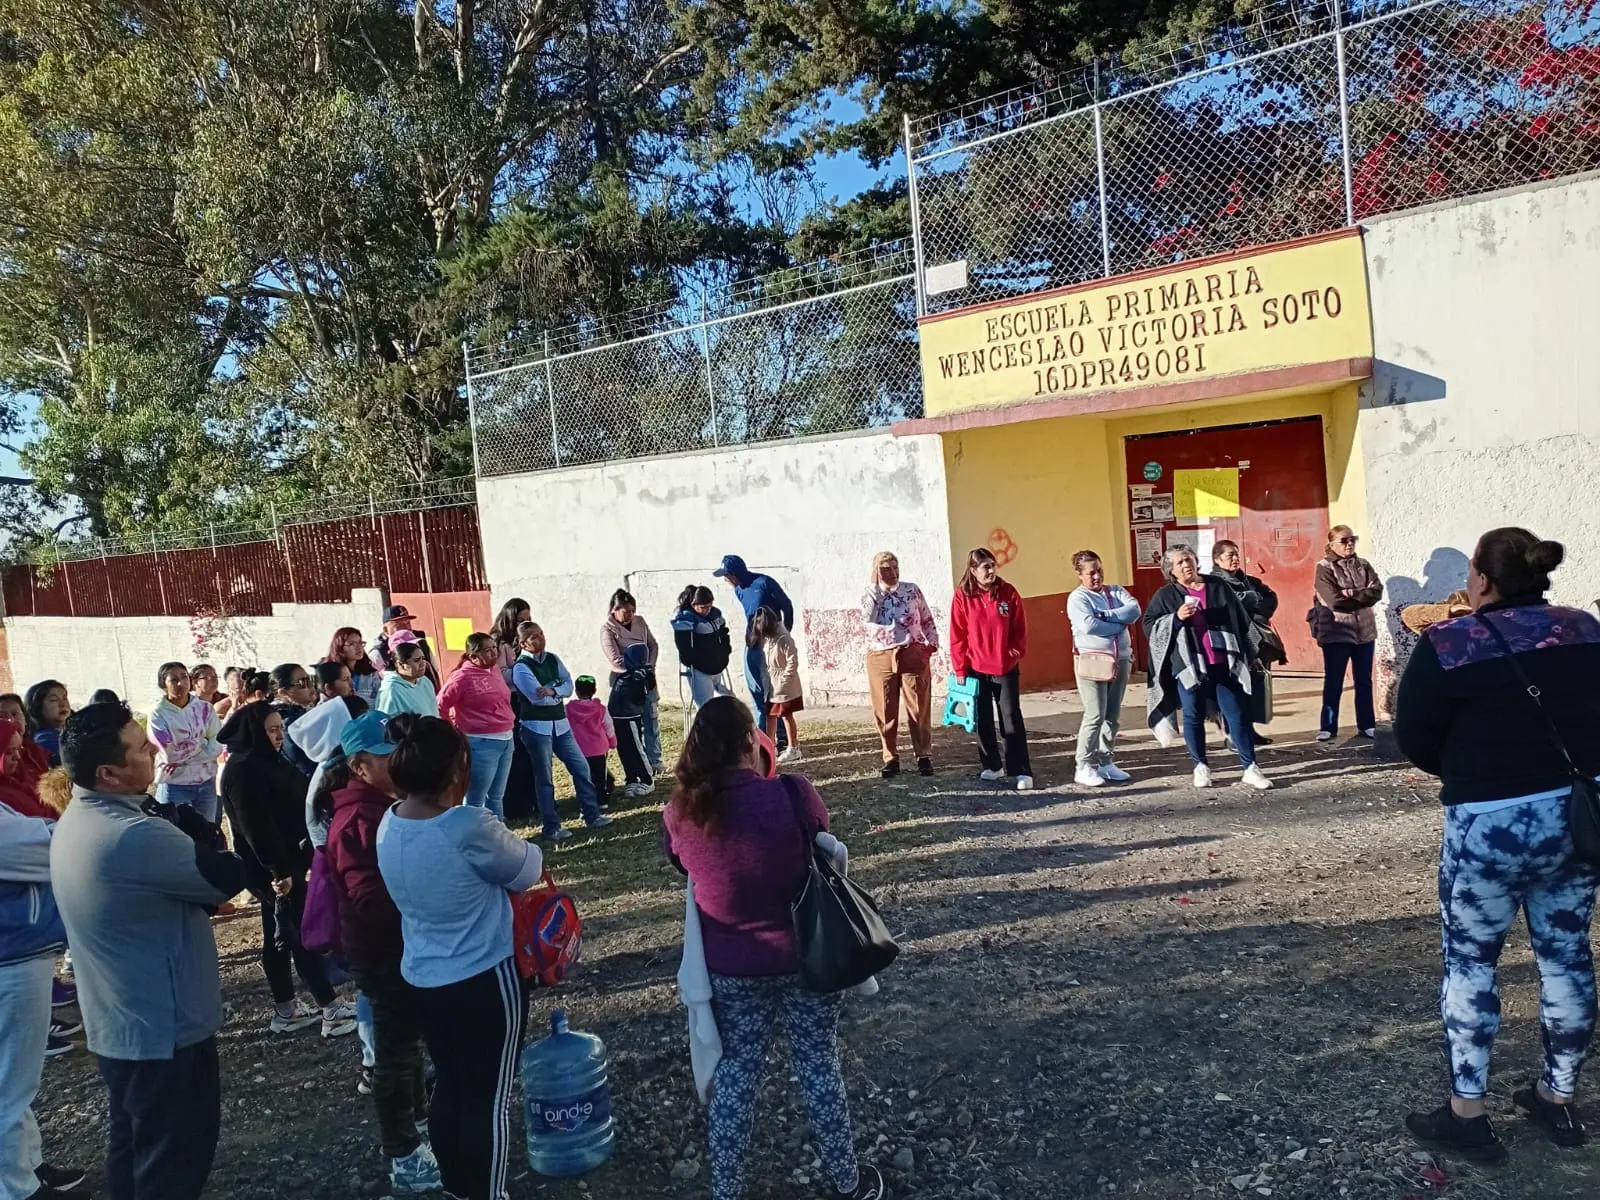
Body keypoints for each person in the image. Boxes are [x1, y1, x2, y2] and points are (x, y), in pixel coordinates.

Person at [1395, 528, 1600, 1162]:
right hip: (1577, 817)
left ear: (1481, 580)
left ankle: (1468, 1113)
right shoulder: (1586, 630)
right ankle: (1558, 1101)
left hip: (1488, 823)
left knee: (1471, 963)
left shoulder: (1449, 642)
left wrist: (1470, 772)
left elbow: (1413, 736)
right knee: (1566, 958)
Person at [663, 697, 886, 1200]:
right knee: (818, 1064)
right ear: (751, 743)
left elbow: (684, 868)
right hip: (808, 954)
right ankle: (847, 1182)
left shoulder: (679, 813)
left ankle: (726, 1190)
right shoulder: (792, 794)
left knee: (736, 1071)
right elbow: (822, 841)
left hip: (730, 967)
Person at [50, 701, 248, 1200]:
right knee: (173, 1161)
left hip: (123, 1023)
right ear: (108, 773)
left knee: (135, 1150)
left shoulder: (81, 816)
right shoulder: (132, 834)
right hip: (163, 1031)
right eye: (141, 748)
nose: (155, 750)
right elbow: (222, 878)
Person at [376, 716, 542, 1200]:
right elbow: (528, 868)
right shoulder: (467, 824)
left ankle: (457, 1187)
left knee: (450, 1086)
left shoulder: (391, 822)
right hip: (485, 977)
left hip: (424, 978)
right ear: (456, 772)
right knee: (488, 1098)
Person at [324, 713, 440, 1194]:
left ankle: (421, 1125)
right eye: (386, 754)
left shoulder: (385, 806)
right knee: (393, 1056)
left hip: (403, 948)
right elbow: (368, 898)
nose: (398, 760)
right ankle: (404, 1155)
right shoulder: (359, 819)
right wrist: (424, 896)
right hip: (382, 953)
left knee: (409, 1048)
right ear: (360, 765)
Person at [218, 702, 357, 1038]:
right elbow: (256, 829)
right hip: (273, 867)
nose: (279, 736)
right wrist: (278, 871)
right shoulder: (242, 770)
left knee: (279, 934)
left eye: (281, 728)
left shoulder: (265, 761)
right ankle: (330, 1008)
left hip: (287, 860)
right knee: (298, 934)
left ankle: (286, 1009)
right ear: (254, 731)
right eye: (272, 730)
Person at [0, 781, 87, 1200]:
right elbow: (51, 850)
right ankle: (18, 1188)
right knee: (10, 1082)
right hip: (9, 959)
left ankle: (29, 1166)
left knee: (18, 1076)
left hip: (17, 953)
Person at [1144, 546, 1272, 791]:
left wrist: (1251, 651)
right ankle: (1200, 766)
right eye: (1180, 562)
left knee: (1237, 714)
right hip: (1189, 666)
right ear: (1171, 570)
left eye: (1189, 559)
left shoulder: (1217, 586)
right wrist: (1175, 618)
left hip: (1224, 662)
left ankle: (1250, 768)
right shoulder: (1166, 595)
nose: (1186, 565)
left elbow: (1240, 617)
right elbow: (1149, 626)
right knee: (1193, 716)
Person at [510, 622, 612, 842]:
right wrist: (555, 692)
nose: (539, 639)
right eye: (532, 637)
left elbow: (568, 685)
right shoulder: (521, 667)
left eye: (540, 634)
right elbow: (537, 698)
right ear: (522, 643)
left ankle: (591, 814)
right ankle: (551, 826)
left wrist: (553, 690)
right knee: (545, 778)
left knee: (581, 768)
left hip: (561, 725)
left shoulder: (553, 659)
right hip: (537, 728)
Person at [949, 547, 1033, 790]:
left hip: (1005, 667)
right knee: (982, 718)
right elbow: (958, 635)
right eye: (985, 567)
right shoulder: (963, 597)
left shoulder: (1008, 593)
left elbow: (1020, 630)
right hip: (976, 668)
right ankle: (992, 766)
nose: (991, 570)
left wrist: (1013, 654)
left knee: (1010, 718)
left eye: (993, 565)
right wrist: (961, 669)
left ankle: (1020, 769)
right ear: (973, 571)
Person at [861, 552, 939, 780]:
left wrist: (930, 645)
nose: (893, 573)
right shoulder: (869, 594)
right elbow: (869, 618)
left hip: (911, 652)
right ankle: (890, 757)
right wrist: (877, 587)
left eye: (895, 567)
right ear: (877, 571)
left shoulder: (911, 589)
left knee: (918, 706)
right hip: (881, 655)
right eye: (886, 569)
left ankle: (923, 755)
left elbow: (926, 618)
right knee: (885, 709)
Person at [1066, 550, 1141, 787]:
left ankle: (1106, 761)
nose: (1097, 577)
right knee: (1095, 714)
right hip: (1092, 663)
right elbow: (1089, 626)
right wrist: (1119, 625)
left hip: (1120, 660)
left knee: (1112, 715)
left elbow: (1134, 611)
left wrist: (1107, 615)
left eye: (1099, 570)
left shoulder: (1116, 591)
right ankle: (1084, 764)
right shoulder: (1078, 599)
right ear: (1079, 575)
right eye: (1091, 573)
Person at [1310, 524, 1383, 741]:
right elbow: (1333, 600)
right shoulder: (1323, 567)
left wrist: (1351, 596)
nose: (1349, 543)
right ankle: (1328, 726)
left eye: (1353, 539)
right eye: (1344, 540)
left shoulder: (1363, 564)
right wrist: (1360, 596)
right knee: (1334, 680)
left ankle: (1367, 724)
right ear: (1331, 544)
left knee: (1364, 681)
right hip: (1337, 632)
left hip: (1365, 632)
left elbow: (1376, 590)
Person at [713, 555, 795, 743]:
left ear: (735, 573)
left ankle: (777, 735)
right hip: (752, 643)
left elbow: (787, 605)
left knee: (772, 689)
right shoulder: (739, 590)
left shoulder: (764, 582)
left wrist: (785, 633)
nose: (725, 579)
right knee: (756, 688)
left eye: (727, 575)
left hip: (771, 643)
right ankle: (765, 732)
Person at [437, 634, 517, 822]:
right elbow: (441, 704)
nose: (493, 653)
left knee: (496, 796)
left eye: (494, 648)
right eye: (487, 650)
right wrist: (452, 731)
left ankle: (496, 835)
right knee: (476, 798)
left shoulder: (494, 669)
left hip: (506, 738)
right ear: (473, 656)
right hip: (481, 742)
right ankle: (471, 836)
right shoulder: (462, 677)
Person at [1212, 540, 1285, 746]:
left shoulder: (1249, 581)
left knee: (1252, 686)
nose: (1235, 559)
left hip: (1255, 641)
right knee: (1233, 689)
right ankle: (1231, 734)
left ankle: (1249, 730)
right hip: (1231, 642)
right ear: (1218, 559)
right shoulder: (1214, 583)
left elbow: (1270, 597)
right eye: (1229, 555)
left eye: (1236, 554)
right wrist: (1249, 601)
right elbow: (1227, 605)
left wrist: (1253, 605)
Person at [149, 662, 224, 824]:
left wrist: (188, 748)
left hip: (205, 782)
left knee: (208, 835)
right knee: (174, 834)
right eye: (173, 680)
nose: (180, 683)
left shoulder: (205, 709)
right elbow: (170, 755)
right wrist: (202, 742)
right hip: (174, 784)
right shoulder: (158, 715)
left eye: (184, 677)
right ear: (163, 685)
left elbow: (218, 743)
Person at [601, 590, 662, 772]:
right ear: (614, 610)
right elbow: (615, 659)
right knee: (632, 724)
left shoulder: (640, 622)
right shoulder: (607, 629)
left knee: (651, 718)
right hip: (625, 681)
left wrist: (648, 666)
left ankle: (655, 760)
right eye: (624, 611)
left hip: (647, 677)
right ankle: (640, 763)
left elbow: (653, 645)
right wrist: (634, 671)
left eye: (631, 611)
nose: (628, 615)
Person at [489, 598, 536, 823]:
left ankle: (531, 799)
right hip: (509, 701)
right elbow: (501, 673)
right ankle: (515, 804)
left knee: (530, 752)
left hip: (527, 699)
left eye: (527, 619)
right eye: (520, 620)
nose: (524, 624)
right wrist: (523, 671)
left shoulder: (524, 639)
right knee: (515, 755)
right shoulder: (499, 643)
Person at [752, 607, 804, 765]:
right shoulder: (768, 639)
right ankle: (770, 746)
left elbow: (792, 662)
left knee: (786, 715)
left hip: (785, 686)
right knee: (770, 715)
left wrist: (783, 682)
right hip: (771, 684)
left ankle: (793, 747)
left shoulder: (784, 638)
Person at [672, 585, 733, 709]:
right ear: (693, 605)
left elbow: (724, 633)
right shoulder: (685, 619)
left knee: (725, 702)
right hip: (700, 670)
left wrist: (726, 651)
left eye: (710, 606)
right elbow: (684, 647)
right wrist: (695, 662)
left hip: (718, 666)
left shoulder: (715, 614)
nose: (707, 610)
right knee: (706, 706)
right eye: (703, 607)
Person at [607, 647, 656, 798]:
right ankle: (632, 779)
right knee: (624, 752)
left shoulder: (642, 675)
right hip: (616, 719)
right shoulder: (624, 675)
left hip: (630, 719)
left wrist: (642, 676)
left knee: (636, 749)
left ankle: (647, 780)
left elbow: (646, 688)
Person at [566, 676, 617, 807]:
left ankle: (585, 799)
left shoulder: (568, 709)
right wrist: (612, 741)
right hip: (599, 748)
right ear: (594, 690)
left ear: (576, 691)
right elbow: (608, 726)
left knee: (583, 776)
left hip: (579, 749)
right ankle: (602, 801)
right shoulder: (601, 709)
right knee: (600, 776)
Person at [372, 606, 440, 689]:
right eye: (400, 625)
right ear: (386, 630)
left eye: (408, 623)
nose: (407, 628)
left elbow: (434, 672)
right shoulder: (377, 654)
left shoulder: (421, 643)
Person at [271, 663, 319, 777]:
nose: (311, 686)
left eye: (311, 680)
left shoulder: (304, 711)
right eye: (303, 683)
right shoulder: (286, 721)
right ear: (283, 693)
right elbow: (303, 765)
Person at [378, 640, 440, 718]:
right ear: (401, 665)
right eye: (417, 660)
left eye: (423, 658)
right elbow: (385, 723)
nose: (423, 663)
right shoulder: (390, 690)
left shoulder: (425, 681)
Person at [329, 628, 382, 705]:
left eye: (360, 643)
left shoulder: (370, 672)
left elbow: (379, 700)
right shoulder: (333, 673)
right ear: (339, 647)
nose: (359, 647)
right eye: (352, 644)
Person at [24, 682, 69, 769]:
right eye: (54, 700)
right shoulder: (44, 739)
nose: (63, 704)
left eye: (64, 698)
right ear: (37, 707)